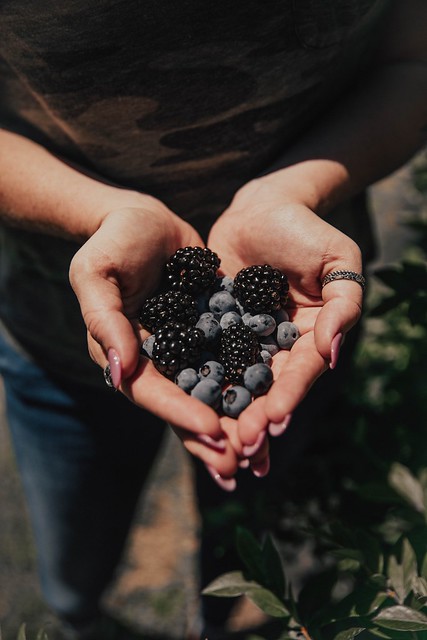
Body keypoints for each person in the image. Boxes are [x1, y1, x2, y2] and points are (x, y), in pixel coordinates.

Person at [0, 0, 426, 637]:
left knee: (246, 519)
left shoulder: (251, 333)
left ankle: (218, 620)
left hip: (304, 304)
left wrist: (292, 190)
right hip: (53, 335)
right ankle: (80, 617)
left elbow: (413, 65)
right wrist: (100, 212)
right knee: (73, 563)